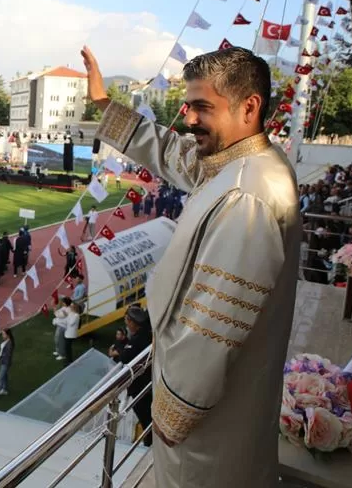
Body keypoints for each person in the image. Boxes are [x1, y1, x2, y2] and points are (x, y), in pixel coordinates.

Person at [82, 45, 300, 487]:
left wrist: (171, 412)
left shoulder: (248, 194)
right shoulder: (238, 165)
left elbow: (210, 329)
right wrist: (105, 103)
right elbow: (167, 149)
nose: (188, 118)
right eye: (188, 105)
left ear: (249, 107)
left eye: (202, 107)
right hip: (220, 418)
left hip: (206, 435)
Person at [109, 305, 153, 447]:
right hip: (149, 382)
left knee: (146, 418)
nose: (126, 324)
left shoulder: (137, 340)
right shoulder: (148, 333)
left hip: (140, 385)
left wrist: (118, 352)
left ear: (134, 323)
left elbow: (125, 356)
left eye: (127, 321)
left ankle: (149, 444)